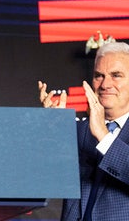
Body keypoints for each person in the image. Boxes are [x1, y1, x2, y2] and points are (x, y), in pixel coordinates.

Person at [38, 42, 129, 221]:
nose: (105, 84)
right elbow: (50, 180)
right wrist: (53, 132)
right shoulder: (79, 130)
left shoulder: (97, 131)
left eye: (116, 75)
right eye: (99, 76)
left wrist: (104, 136)